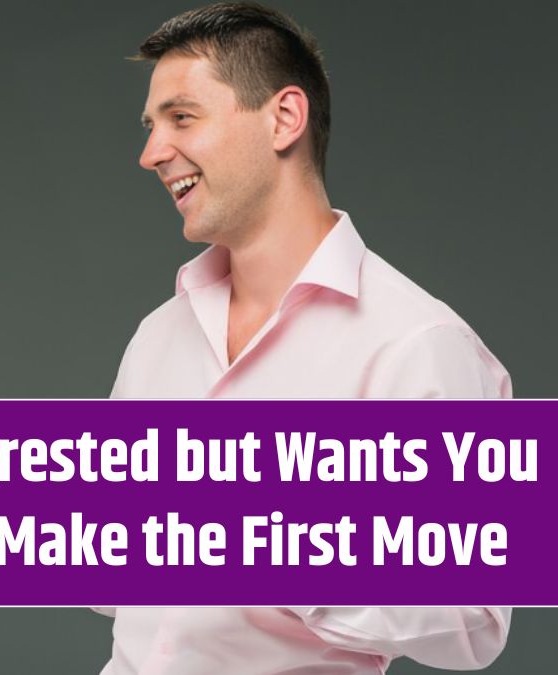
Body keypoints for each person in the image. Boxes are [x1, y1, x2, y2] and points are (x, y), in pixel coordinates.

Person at [101, 3, 510, 674]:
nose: (151, 153)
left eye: (181, 117)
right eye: (150, 126)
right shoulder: (157, 336)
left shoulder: (417, 342)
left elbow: (475, 616)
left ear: (284, 118)